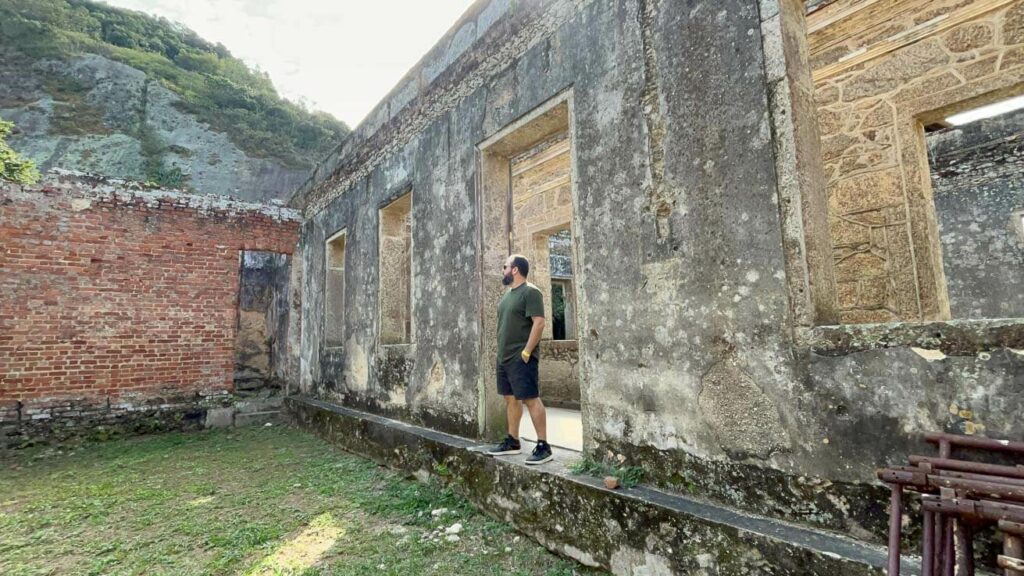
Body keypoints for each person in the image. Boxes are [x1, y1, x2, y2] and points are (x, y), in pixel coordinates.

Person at [486, 254, 552, 464]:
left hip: (521, 357)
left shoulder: (531, 292)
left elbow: (539, 323)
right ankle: (513, 441)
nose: (502, 270)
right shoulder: (507, 296)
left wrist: (527, 351)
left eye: (505, 266)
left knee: (530, 398)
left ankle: (543, 446)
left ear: (514, 269)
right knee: (510, 398)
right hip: (504, 357)